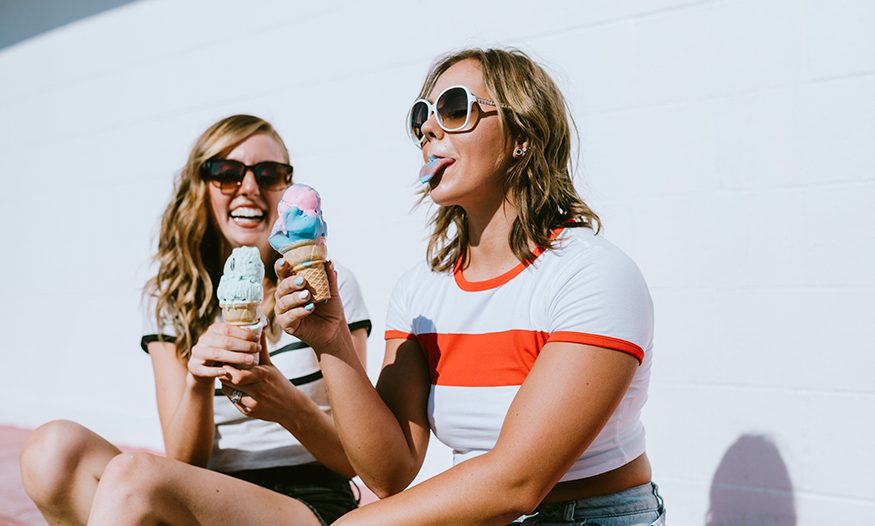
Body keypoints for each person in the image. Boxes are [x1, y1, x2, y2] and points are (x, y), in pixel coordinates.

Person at [273, 48, 667, 525]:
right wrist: (331, 341)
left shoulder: (592, 275)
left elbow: (517, 483)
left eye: (455, 108)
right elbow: (389, 472)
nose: (428, 129)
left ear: (522, 135)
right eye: (421, 116)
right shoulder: (421, 292)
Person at [19, 114, 370, 526]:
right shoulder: (172, 297)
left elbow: (354, 460)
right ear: (200, 188)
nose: (250, 188)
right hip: (202, 493)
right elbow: (185, 460)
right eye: (226, 173)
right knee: (51, 450)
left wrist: (288, 406)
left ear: (286, 190)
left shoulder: (328, 285)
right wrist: (197, 382)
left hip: (307, 500)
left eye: (270, 174)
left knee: (134, 478)